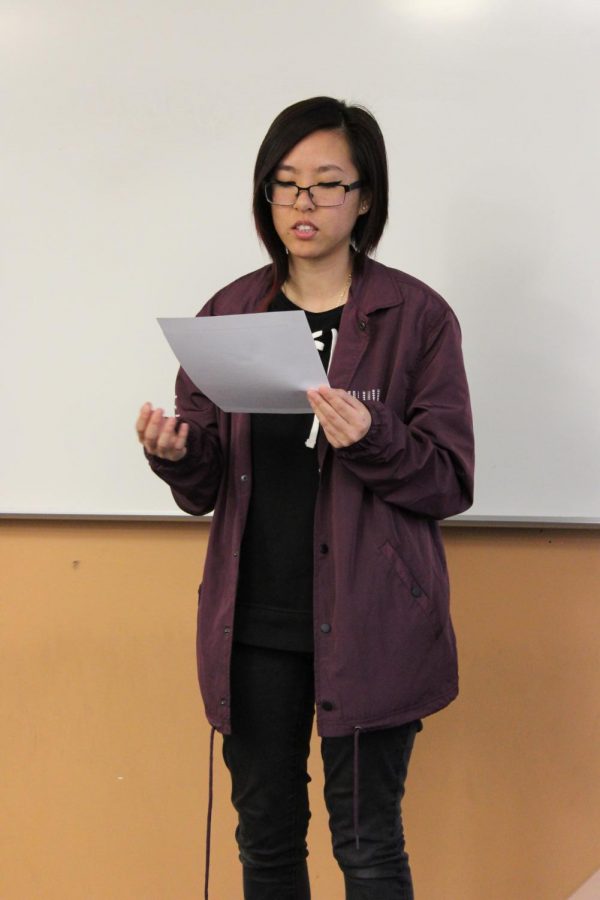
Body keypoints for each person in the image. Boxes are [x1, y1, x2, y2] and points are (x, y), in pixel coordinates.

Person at [136, 96, 474, 900]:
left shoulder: (415, 317)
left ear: (365, 197)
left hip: (372, 624)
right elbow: (207, 486)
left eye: (327, 184)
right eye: (285, 185)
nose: (303, 204)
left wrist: (372, 435)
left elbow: (449, 479)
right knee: (267, 842)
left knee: (367, 846)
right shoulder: (231, 311)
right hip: (254, 626)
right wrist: (178, 455)